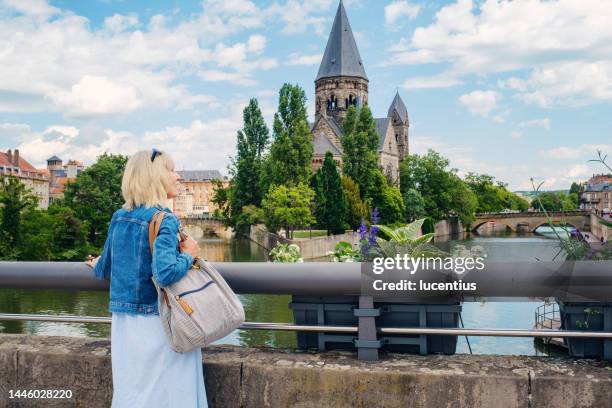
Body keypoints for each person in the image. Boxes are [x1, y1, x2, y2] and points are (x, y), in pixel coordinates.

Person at [86, 149, 207, 407]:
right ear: (154, 177)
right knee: (168, 394)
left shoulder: (119, 217)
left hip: (124, 325)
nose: (177, 176)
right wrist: (189, 255)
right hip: (158, 324)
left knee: (133, 392)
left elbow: (103, 268)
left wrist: (97, 261)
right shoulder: (164, 219)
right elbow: (164, 273)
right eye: (171, 170)